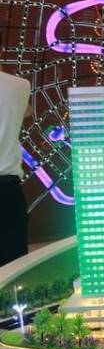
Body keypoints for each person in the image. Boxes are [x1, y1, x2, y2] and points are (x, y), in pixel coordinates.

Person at [0, 63, 31, 265]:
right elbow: (26, 111)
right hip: (7, 191)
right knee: (13, 269)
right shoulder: (20, 86)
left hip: (8, 190)